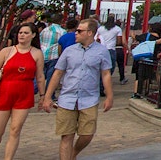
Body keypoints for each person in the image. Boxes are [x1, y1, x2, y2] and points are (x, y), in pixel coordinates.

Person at [42, 18, 114, 160]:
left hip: (89, 99)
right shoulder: (69, 51)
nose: (76, 33)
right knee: (66, 135)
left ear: (90, 33)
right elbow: (57, 73)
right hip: (67, 98)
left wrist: (109, 96)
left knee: (87, 134)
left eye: (80, 31)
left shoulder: (102, 51)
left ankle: (73, 153)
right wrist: (47, 96)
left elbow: (105, 74)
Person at [0, 22, 46, 160]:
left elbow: (40, 76)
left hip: (24, 94)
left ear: (33, 35)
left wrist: (42, 96)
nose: (22, 35)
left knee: (15, 130)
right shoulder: (6, 51)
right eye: (20, 33)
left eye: (26, 33)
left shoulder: (37, 53)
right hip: (4, 93)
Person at [131, 23, 161, 99]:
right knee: (148, 76)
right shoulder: (159, 40)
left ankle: (136, 92)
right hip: (150, 59)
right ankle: (145, 92)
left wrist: (132, 33)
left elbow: (135, 37)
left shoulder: (146, 36)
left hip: (140, 58)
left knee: (138, 77)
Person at [97, 15, 125, 84]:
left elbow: (97, 38)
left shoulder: (101, 28)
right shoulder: (117, 29)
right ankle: (104, 83)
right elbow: (119, 41)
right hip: (111, 49)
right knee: (110, 68)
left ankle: (99, 82)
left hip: (101, 49)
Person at [39, 12, 64, 84]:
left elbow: (40, 40)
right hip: (54, 55)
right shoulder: (62, 32)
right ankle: (49, 93)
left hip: (43, 54)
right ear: (61, 21)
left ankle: (34, 89)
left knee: (40, 75)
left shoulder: (45, 30)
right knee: (51, 78)